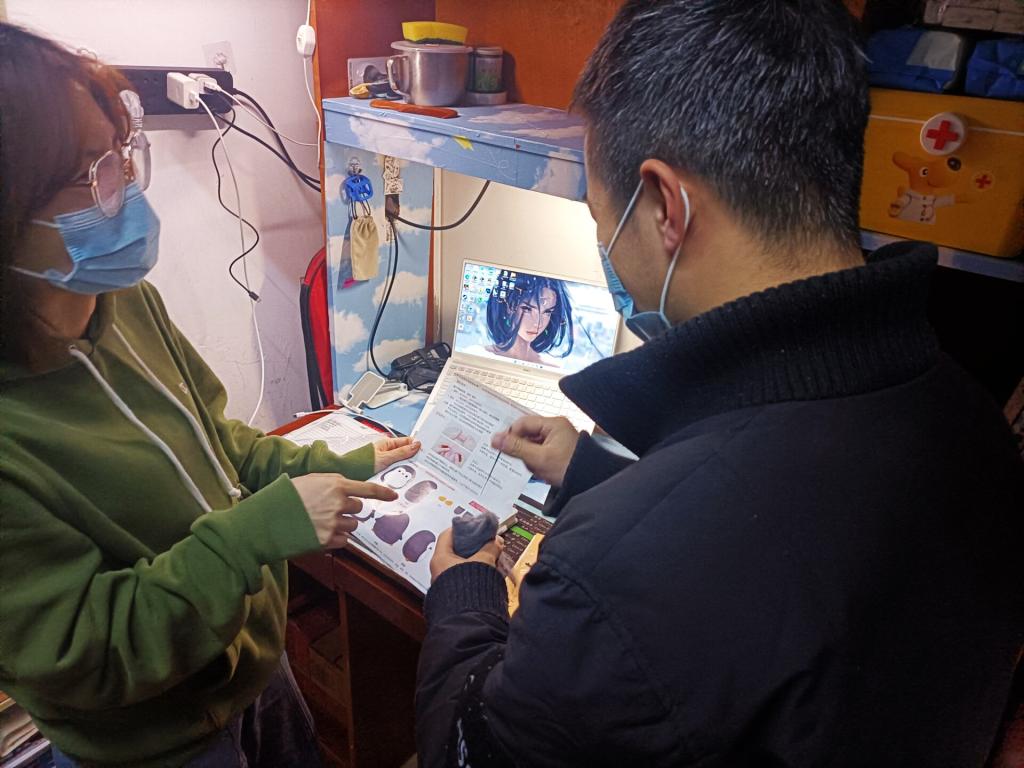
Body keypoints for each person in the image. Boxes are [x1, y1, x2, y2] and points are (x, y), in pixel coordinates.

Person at [415, 2, 1024, 766]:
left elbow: (471, 750)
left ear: (665, 206)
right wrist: (591, 472)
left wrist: (464, 595)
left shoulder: (606, 577)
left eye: (600, 217)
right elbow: (775, 554)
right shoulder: (977, 424)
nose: (604, 243)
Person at [0, 24, 421, 768]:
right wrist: (256, 534)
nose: (127, 189)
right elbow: (91, 653)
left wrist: (332, 460)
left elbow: (218, 443)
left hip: (252, 670)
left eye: (123, 153)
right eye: (94, 173)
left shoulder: (122, 301)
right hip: (157, 746)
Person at [482, 274, 574, 365]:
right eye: (527, 309)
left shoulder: (550, 367)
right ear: (509, 306)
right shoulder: (482, 356)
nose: (538, 323)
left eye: (547, 312)